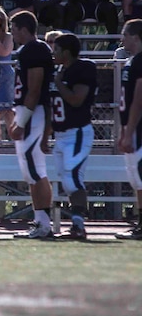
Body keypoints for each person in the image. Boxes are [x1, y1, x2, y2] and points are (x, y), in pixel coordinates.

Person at [4, 11, 56, 239]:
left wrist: (21, 121)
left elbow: (34, 89)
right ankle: (40, 221)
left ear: (23, 29)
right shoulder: (30, 49)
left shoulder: (34, 49)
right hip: (29, 111)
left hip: (33, 113)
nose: (12, 33)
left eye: (13, 28)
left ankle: (44, 223)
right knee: (31, 172)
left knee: (36, 171)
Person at [43, 32, 95, 240]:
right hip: (61, 135)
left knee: (73, 180)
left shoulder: (82, 68)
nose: (52, 52)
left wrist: (59, 82)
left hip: (78, 132)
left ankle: (79, 225)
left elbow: (76, 100)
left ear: (66, 52)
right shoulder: (60, 71)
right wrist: (47, 134)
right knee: (67, 180)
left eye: (55, 49)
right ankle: (76, 224)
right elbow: (50, 107)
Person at [117, 19, 142, 240]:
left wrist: (130, 129)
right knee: (136, 178)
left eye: (125, 34)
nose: (122, 38)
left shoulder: (140, 62)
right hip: (132, 127)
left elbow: (139, 99)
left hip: (139, 129)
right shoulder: (132, 61)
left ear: (136, 36)